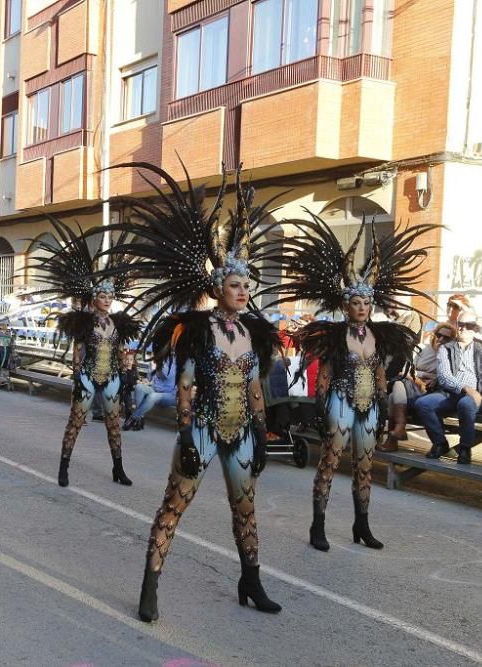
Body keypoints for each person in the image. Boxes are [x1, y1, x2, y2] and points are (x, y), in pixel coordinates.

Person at [103, 165, 284, 619]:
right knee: (175, 505)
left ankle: (251, 580)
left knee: (245, 509)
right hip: (202, 428)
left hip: (241, 431)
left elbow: (255, 389)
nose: (243, 291)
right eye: (234, 285)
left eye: (247, 285)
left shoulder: (255, 334)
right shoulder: (197, 330)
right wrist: (185, 435)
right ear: (217, 288)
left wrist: (261, 434)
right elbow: (184, 387)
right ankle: (150, 586)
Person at [263, 218, 436, 553]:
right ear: (345, 306)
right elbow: (325, 373)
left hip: (368, 406)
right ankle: (318, 525)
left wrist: (383, 403)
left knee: (365, 467)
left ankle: (362, 524)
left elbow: (379, 371)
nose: (362, 308)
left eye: (367, 304)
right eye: (356, 303)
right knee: (329, 463)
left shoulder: (379, 335)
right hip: (341, 404)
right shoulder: (334, 335)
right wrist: (324, 404)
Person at [26, 215, 140, 488]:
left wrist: (126, 369)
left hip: (111, 376)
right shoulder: (84, 322)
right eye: (103, 296)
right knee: (76, 422)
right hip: (89, 375)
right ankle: (63, 468)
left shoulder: (119, 323)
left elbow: (123, 350)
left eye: (110, 297)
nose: (107, 301)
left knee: (114, 425)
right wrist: (77, 375)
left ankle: (118, 469)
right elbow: (78, 352)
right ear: (94, 299)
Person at [414, 309, 482, 464]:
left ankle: (465, 448)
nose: (463, 328)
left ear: (476, 328)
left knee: (465, 404)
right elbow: (444, 377)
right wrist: (468, 389)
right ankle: (440, 443)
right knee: (423, 404)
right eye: (460, 324)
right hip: (451, 393)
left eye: (469, 325)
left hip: (477, 395)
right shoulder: (447, 348)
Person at [378, 321, 455, 452]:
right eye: (438, 335)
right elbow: (408, 370)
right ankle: (398, 430)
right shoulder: (425, 350)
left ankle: (394, 438)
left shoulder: (451, 355)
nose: (441, 339)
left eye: (446, 337)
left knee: (394, 392)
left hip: (427, 391)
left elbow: (445, 376)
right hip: (412, 384)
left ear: (451, 340)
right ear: (434, 334)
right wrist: (423, 376)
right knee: (397, 387)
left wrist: (429, 376)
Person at [123, 356, 177, 431]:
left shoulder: (174, 362)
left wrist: (157, 366)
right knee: (139, 387)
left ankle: (133, 418)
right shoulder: (159, 361)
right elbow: (150, 378)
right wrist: (147, 381)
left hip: (169, 395)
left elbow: (165, 375)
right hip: (155, 390)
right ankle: (140, 418)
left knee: (153, 396)